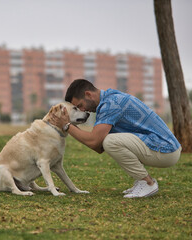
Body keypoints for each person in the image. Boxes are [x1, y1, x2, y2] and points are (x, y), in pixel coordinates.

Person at [52, 79, 181, 198]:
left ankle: (147, 183)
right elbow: (98, 147)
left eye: (80, 105)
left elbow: (94, 141)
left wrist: (66, 126)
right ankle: (141, 181)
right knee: (109, 141)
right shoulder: (109, 100)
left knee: (110, 141)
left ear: (88, 94)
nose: (82, 110)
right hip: (165, 147)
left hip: (166, 149)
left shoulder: (111, 104)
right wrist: (69, 126)